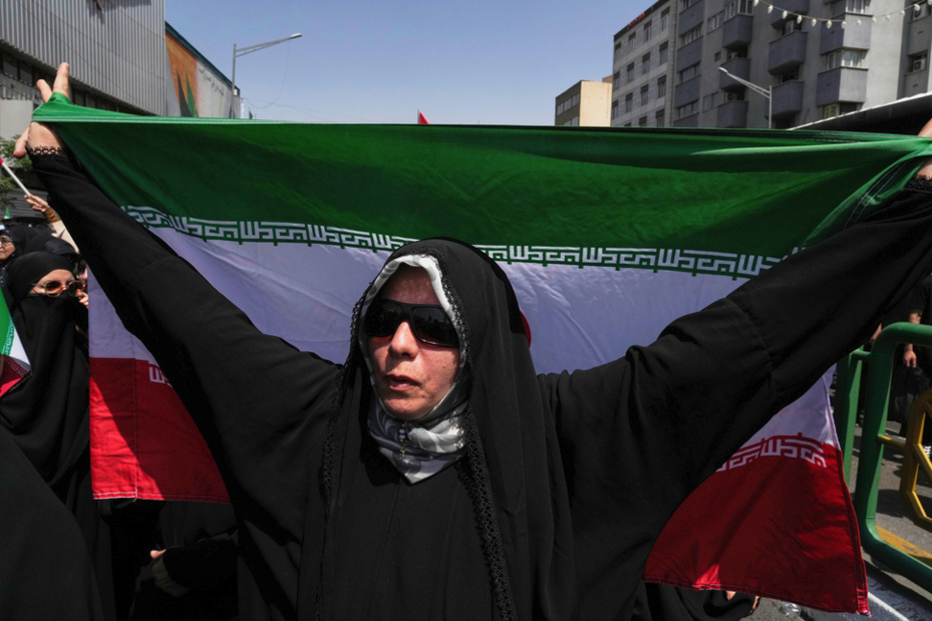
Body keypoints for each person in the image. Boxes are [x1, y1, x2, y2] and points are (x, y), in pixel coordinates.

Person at [17, 63, 932, 621]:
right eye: (383, 322)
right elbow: (184, 316)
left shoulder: (578, 441)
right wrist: (66, 172)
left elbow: (749, 341)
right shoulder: (309, 427)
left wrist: (914, 212)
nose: (399, 347)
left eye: (433, 326)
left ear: (486, 339)